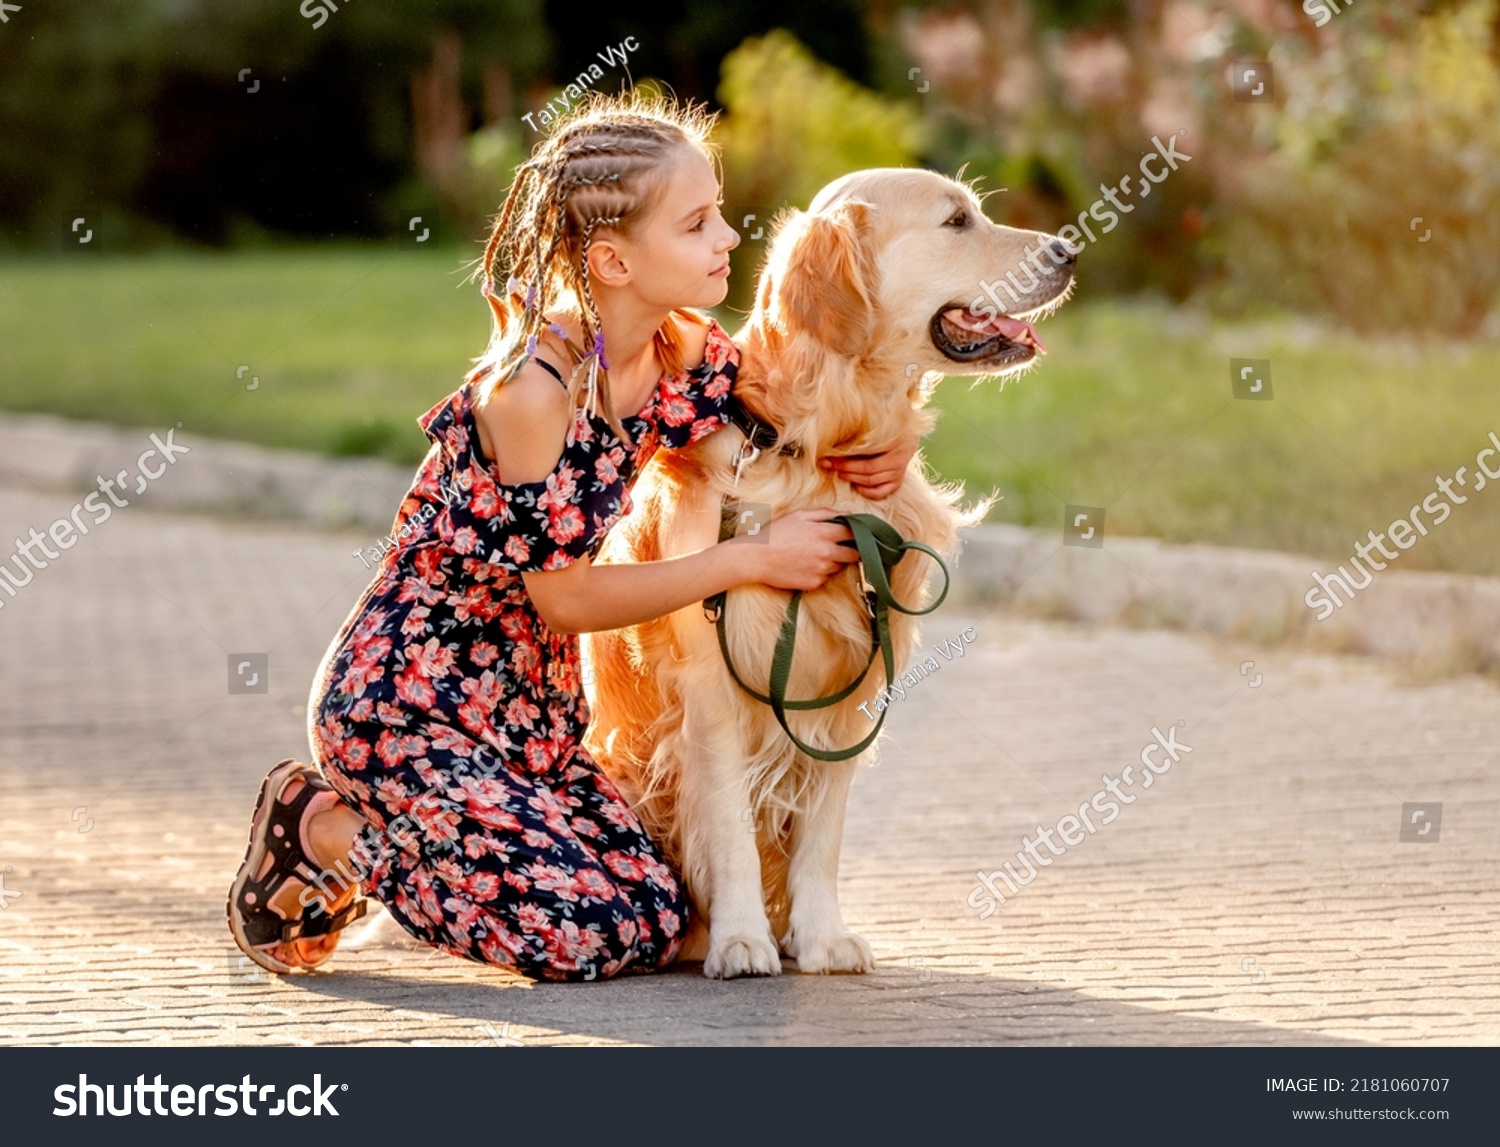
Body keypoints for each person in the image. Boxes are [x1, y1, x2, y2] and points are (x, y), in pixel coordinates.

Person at [226, 92, 918, 983]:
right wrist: (746, 559)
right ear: (613, 259)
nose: (729, 239)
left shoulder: (683, 352)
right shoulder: (533, 393)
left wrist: (888, 443)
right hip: (411, 706)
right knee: (576, 933)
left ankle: (442, 854)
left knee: (663, 914)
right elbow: (565, 599)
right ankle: (323, 824)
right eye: (699, 222)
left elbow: (799, 403)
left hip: (532, 715)